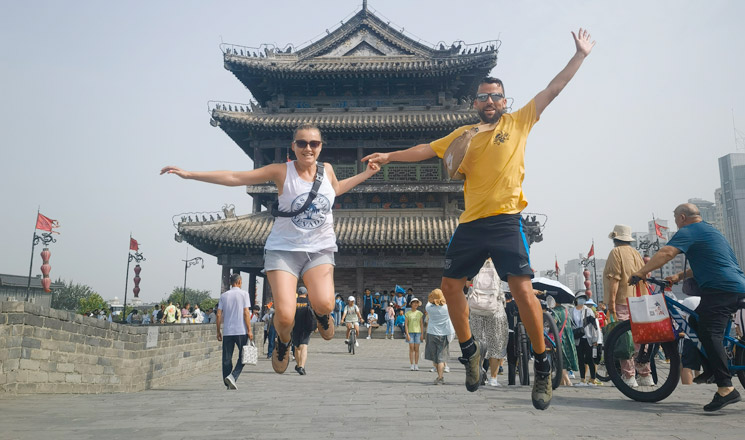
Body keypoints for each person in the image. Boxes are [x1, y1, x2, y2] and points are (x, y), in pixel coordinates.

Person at [362, 29, 595, 409]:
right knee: (450, 286)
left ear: (505, 100)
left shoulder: (518, 122)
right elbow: (426, 149)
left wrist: (579, 55)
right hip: (470, 222)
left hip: (506, 221)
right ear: (475, 102)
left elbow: (553, 88)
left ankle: (541, 363)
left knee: (521, 290)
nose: (489, 101)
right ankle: (470, 352)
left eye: (495, 96)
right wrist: (388, 156)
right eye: (483, 96)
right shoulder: (463, 134)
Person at [163, 124, 380, 374]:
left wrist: (366, 174)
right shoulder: (281, 171)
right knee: (286, 316)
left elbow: (337, 189)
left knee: (325, 303)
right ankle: (283, 341)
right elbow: (236, 177)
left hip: (319, 249)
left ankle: (322, 315)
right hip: (284, 250)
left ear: (321, 146)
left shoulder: (327, 169)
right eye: (302, 143)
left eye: (314, 143)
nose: (308, 148)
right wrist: (190, 174)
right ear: (293, 147)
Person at [630, 203, 745, 411]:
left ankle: (726, 389)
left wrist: (640, 272)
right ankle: (711, 368)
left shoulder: (690, 230)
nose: (676, 223)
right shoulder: (711, 231)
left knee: (710, 333)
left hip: (721, 290)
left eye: (675, 219)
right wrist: (679, 276)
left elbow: (667, 252)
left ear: (682, 217)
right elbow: (709, 262)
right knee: (694, 320)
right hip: (734, 286)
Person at [602, 224, 652, 388]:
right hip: (639, 300)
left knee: (625, 340)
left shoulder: (615, 253)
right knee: (640, 340)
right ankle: (646, 375)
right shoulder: (636, 254)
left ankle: (629, 376)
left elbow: (614, 279)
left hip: (622, 301)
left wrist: (611, 304)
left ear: (615, 239)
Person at [216, 273, 252, 390]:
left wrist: (218, 331)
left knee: (226, 358)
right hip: (241, 330)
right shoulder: (244, 294)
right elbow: (246, 313)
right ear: (239, 282)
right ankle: (233, 376)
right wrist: (249, 330)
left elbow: (218, 314)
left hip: (227, 331)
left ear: (231, 283)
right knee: (244, 356)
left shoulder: (224, 295)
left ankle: (228, 381)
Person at [425, 289, 455, 385]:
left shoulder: (429, 308)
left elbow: (429, 302)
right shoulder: (447, 308)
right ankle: (440, 377)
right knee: (441, 358)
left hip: (432, 333)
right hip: (444, 334)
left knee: (435, 358)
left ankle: (439, 376)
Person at [571, 292, 599, 386]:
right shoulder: (571, 311)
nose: (582, 300)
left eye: (583, 298)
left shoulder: (588, 310)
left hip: (588, 338)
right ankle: (582, 379)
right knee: (580, 359)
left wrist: (595, 339)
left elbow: (594, 326)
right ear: (576, 299)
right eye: (580, 298)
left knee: (590, 358)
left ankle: (592, 379)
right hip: (577, 338)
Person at [293, 287, 316, 375]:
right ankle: (302, 367)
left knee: (297, 348)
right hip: (306, 327)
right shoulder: (309, 302)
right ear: (306, 293)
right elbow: (314, 314)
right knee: (304, 347)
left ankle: (299, 365)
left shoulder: (293, 301)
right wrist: (315, 326)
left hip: (295, 327)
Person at [405, 297, 424, 371]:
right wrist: (407, 334)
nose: (416, 304)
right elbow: (406, 324)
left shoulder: (420, 313)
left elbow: (421, 324)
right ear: (411, 304)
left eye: (417, 303)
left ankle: (416, 364)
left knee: (417, 349)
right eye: (414, 303)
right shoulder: (407, 313)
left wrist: (422, 334)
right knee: (411, 348)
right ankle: (411, 364)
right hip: (410, 332)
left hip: (418, 333)